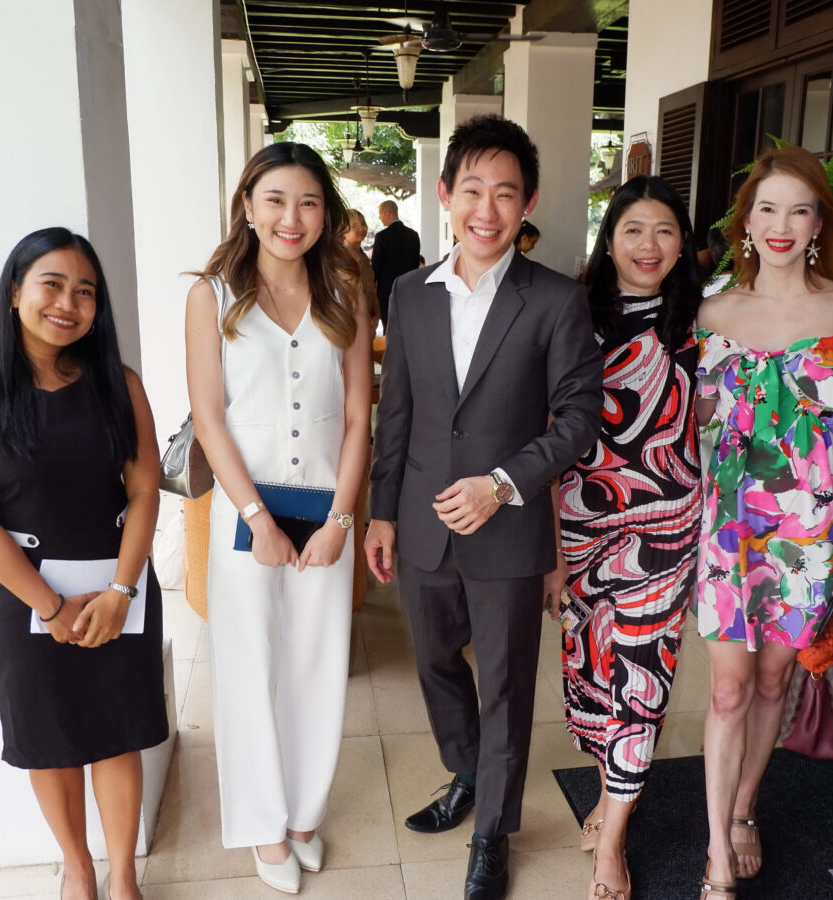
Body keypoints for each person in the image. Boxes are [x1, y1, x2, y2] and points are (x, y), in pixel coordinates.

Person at [365, 115, 603, 900]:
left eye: (505, 193)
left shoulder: (555, 300)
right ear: (445, 195)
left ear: (526, 203)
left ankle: (491, 832)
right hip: (421, 520)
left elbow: (578, 419)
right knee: (434, 663)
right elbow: (398, 412)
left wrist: (500, 484)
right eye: (473, 190)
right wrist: (382, 512)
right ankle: (468, 772)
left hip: (508, 527)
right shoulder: (408, 294)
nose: (487, 209)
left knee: (503, 683)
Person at [0, 227, 167, 900]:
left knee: (119, 736)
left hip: (118, 591)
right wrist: (52, 606)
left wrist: (122, 590)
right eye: (53, 285)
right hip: (25, 602)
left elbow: (145, 490)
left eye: (85, 291)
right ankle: (78, 868)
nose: (69, 303)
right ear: (16, 293)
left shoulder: (119, 384)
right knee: (52, 741)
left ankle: (124, 877)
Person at [692, 146, 833, 899]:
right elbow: (697, 418)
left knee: (775, 678)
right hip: (730, 525)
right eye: (767, 209)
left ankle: (745, 808)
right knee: (727, 690)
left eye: (799, 210)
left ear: (819, 224)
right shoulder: (714, 312)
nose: (781, 225)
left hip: (810, 530)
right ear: (746, 222)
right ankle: (717, 853)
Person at [185, 142, 372, 894]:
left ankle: (303, 815)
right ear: (248, 205)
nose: (291, 217)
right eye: (275, 199)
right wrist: (258, 518)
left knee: (318, 664)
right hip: (246, 514)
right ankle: (264, 824)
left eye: (308, 202)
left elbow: (357, 417)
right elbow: (208, 416)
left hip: (327, 510)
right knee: (249, 665)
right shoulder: (212, 295)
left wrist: (341, 521)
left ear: (326, 213)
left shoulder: (346, 290)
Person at [549, 176, 704, 900]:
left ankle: (612, 839)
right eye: (634, 229)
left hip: (668, 527)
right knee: (590, 670)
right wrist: (550, 546)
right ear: (608, 239)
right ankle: (611, 787)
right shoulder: (569, 316)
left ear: (684, 243)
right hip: (580, 526)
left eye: (665, 230)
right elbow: (544, 432)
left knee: (643, 679)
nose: (649, 245)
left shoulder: (703, 323)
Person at [370, 198, 420, 327]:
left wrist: (371, 285)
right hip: (409, 287)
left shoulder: (382, 236)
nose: (380, 218)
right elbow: (415, 263)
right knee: (407, 325)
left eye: (380, 215)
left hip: (387, 290)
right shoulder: (413, 235)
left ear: (387, 213)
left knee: (389, 326)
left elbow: (376, 266)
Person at [345, 208, 380, 332]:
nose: (361, 228)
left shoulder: (362, 255)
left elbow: (371, 286)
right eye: (354, 226)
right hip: (351, 322)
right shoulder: (342, 257)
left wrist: (376, 313)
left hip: (367, 318)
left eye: (363, 223)